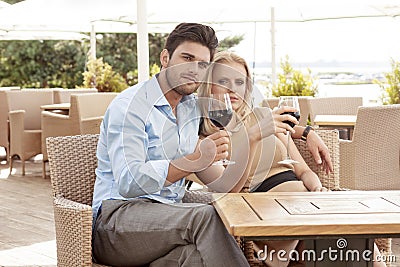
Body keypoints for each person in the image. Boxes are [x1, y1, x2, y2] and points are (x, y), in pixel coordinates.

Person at [196, 51, 386, 267]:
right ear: (208, 86)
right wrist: (252, 138)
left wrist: (317, 188)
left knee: (353, 234)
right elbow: (228, 195)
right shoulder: (208, 141)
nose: (232, 89)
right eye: (223, 81)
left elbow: (303, 171)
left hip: (306, 204)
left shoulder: (264, 119)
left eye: (239, 81)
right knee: (344, 237)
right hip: (272, 215)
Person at [91, 23, 250, 267]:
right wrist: (195, 160)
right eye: (187, 57)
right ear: (165, 57)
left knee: (198, 259)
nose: (192, 69)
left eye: (202, 64)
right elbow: (128, 181)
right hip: (115, 223)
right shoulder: (130, 106)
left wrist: (298, 131)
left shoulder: (190, 108)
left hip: (168, 223)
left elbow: (223, 181)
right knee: (206, 217)